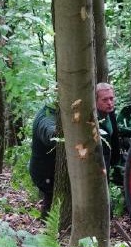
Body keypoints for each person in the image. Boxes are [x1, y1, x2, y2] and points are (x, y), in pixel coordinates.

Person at [28, 83, 120, 218]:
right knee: (55, 203)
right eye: (105, 100)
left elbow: (113, 139)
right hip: (47, 171)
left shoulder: (102, 112)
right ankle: (49, 234)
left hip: (79, 167)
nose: (110, 103)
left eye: (111, 99)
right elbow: (51, 134)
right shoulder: (46, 115)